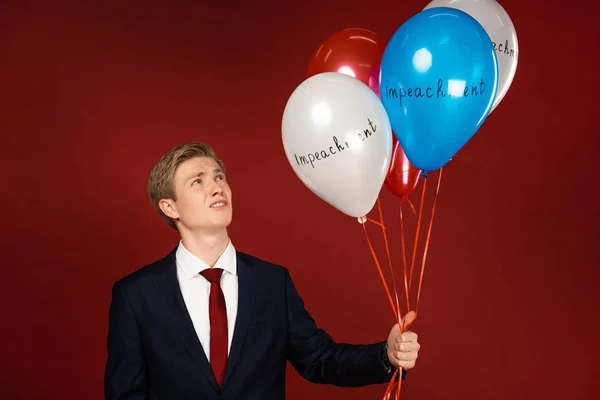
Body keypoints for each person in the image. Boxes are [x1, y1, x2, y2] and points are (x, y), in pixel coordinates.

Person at [104, 142, 421, 400]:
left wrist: (386, 356)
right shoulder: (136, 295)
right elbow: (125, 393)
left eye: (218, 177)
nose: (216, 187)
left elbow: (319, 360)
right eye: (197, 181)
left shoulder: (273, 282)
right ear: (170, 207)